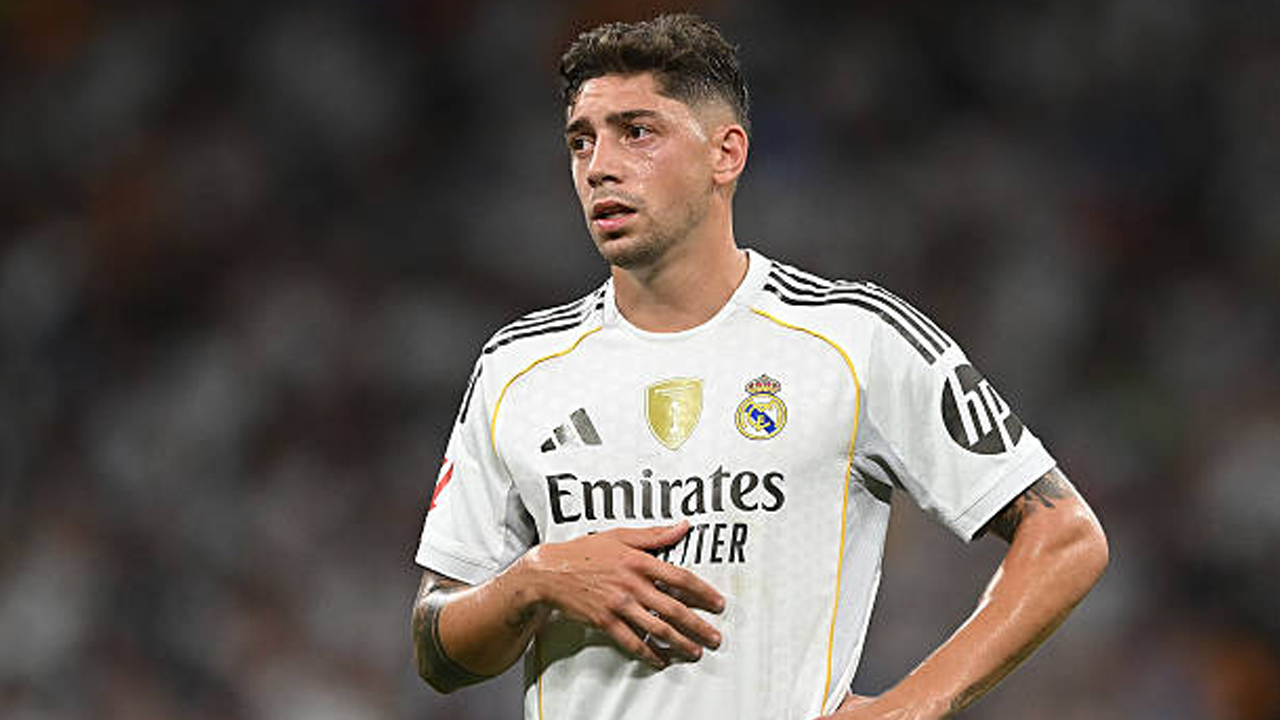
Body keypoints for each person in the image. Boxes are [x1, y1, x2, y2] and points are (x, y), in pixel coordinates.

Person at [411, 13, 1108, 720]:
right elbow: (436, 650)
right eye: (581, 140)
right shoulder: (518, 369)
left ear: (727, 154)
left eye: (638, 132)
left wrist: (910, 707)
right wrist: (536, 578)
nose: (600, 166)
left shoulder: (852, 340)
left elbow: (1065, 535)